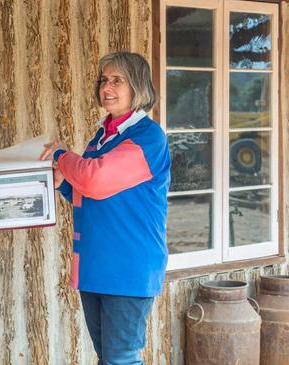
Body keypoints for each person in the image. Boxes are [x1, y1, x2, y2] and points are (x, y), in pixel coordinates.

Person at [40, 51, 171, 365]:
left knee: (121, 359)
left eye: (116, 80)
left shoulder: (147, 137)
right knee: (109, 358)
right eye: (103, 81)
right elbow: (87, 192)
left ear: (137, 86)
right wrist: (63, 183)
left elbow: (95, 179)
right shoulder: (102, 136)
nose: (106, 87)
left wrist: (61, 154)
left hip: (128, 266)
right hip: (96, 266)